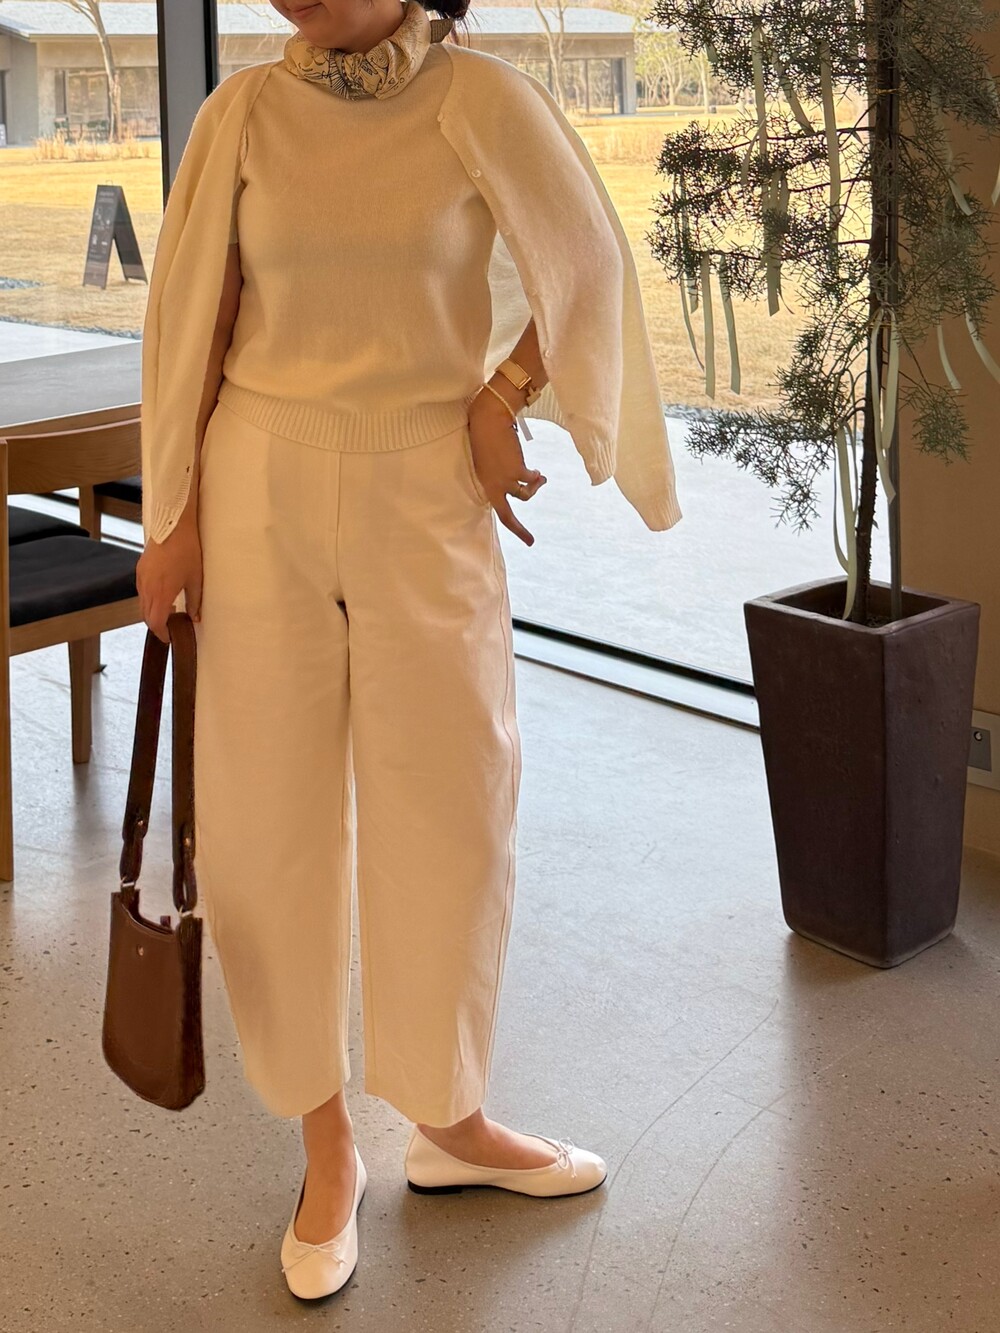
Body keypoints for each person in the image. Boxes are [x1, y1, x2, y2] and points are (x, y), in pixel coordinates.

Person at [136, 0, 680, 1302]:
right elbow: (193, 322)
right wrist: (171, 520)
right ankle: (327, 1151)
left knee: (454, 804)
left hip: (425, 486)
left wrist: (503, 396)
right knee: (267, 824)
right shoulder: (242, 115)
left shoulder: (478, 99)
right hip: (258, 480)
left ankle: (449, 1119)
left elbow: (590, 263)